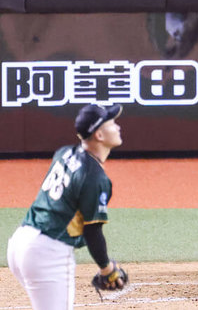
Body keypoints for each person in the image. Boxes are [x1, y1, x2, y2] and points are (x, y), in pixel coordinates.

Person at [7, 103, 128, 308]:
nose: (118, 127)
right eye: (111, 123)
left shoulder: (64, 153)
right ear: (99, 135)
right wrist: (106, 269)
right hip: (48, 251)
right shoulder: (95, 177)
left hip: (19, 242)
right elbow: (92, 231)